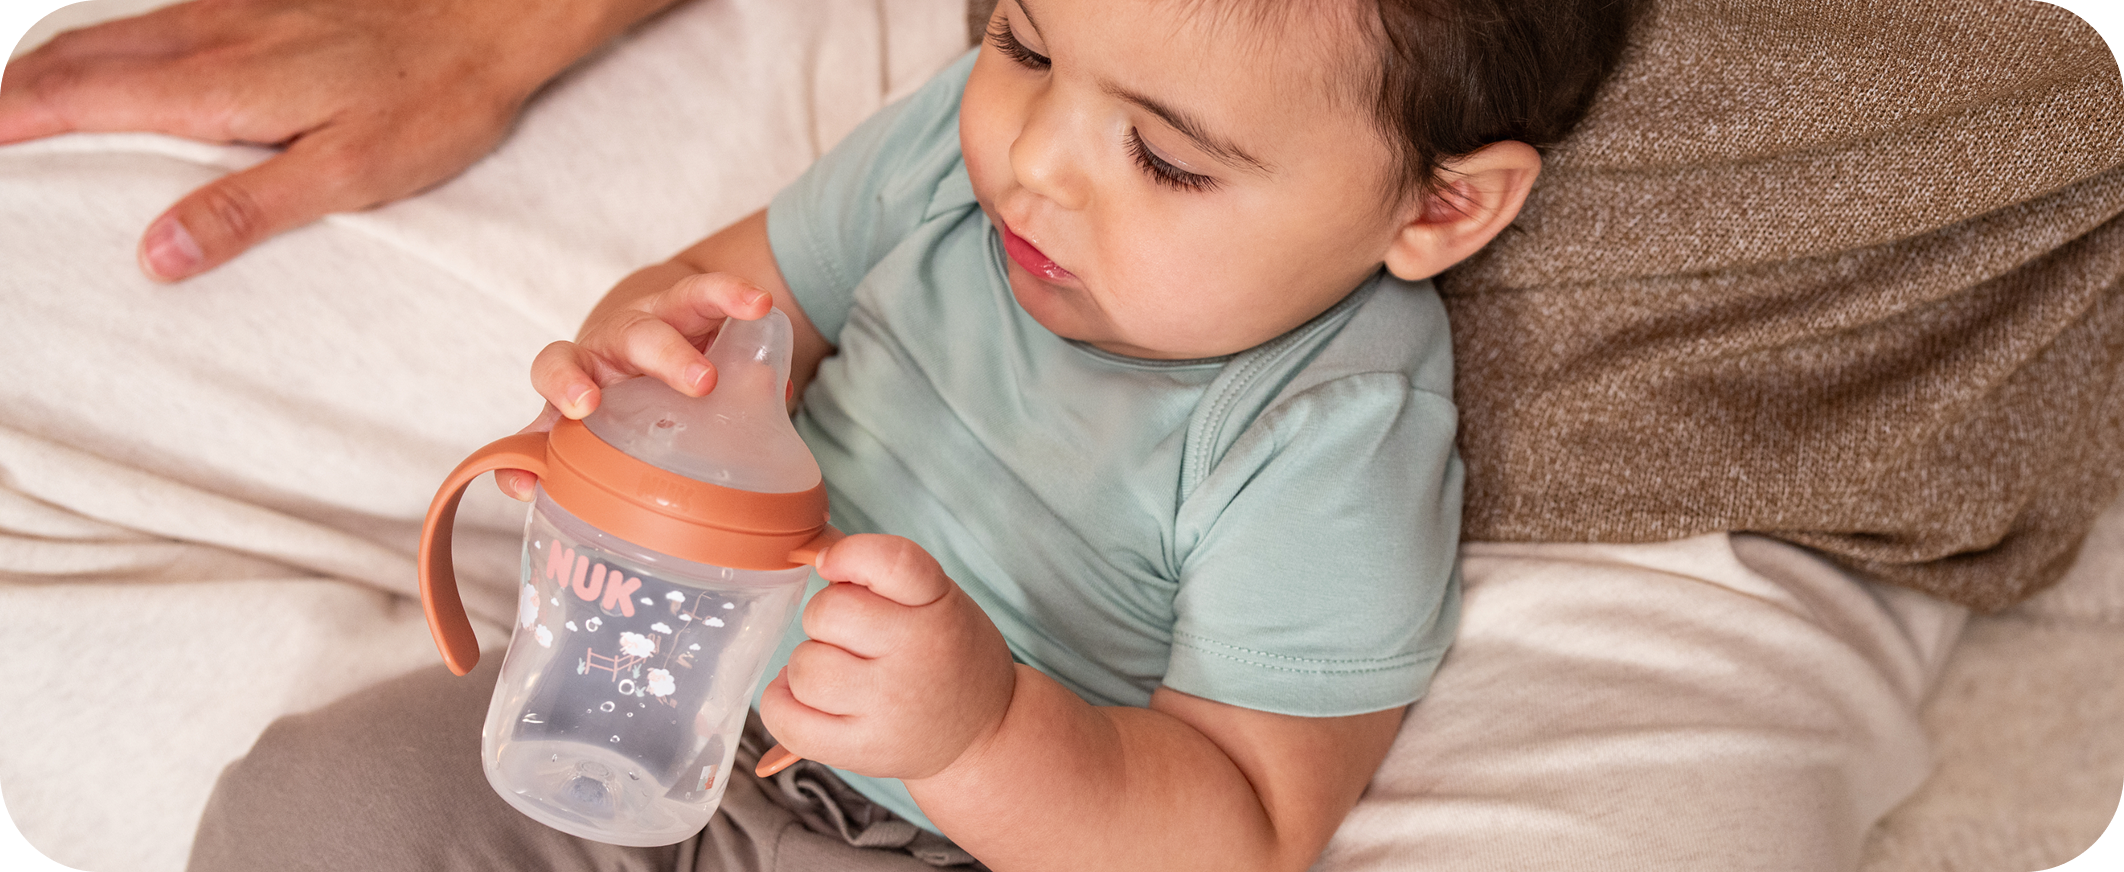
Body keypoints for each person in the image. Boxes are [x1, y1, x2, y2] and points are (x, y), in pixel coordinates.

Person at [178, 0, 1637, 869]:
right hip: (671, 698)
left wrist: (985, 731)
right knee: (324, 802)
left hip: (940, 844)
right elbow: (733, 300)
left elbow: (1239, 829)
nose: (1036, 159)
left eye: (1166, 157)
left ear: (1440, 208)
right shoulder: (965, 147)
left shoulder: (1332, 431)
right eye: (1019, 40)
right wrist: (641, 364)